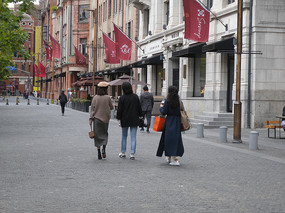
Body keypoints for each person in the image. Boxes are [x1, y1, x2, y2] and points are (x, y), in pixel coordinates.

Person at [156, 85, 184, 166]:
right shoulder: (179, 101)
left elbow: (164, 112)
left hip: (169, 121)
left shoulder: (167, 101)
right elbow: (182, 110)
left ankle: (173, 158)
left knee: (168, 139)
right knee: (176, 139)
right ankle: (170, 157)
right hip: (177, 121)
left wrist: (161, 108)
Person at [117, 82, 143, 160]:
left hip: (124, 119)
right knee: (133, 136)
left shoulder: (122, 98)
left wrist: (119, 118)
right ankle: (132, 153)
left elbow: (120, 110)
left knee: (124, 136)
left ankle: (123, 152)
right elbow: (139, 108)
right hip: (134, 119)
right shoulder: (135, 97)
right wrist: (141, 116)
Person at [89, 81, 114, 160]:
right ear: (106, 89)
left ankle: (99, 152)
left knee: (97, 136)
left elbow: (92, 109)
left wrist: (90, 119)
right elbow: (112, 107)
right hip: (105, 119)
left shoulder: (95, 97)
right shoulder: (107, 97)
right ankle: (104, 149)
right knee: (105, 134)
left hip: (96, 119)